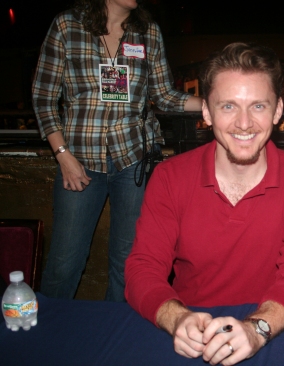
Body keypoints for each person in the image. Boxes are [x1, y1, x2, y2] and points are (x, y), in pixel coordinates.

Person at [125, 42, 284, 365]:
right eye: (228, 106)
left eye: (258, 106)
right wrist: (177, 318)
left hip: (274, 332)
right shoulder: (169, 177)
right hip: (193, 334)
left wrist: (257, 329)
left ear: (277, 110)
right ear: (206, 111)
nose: (244, 123)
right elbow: (142, 269)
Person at [32, 0, 202, 302]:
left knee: (127, 259)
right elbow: (44, 98)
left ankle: (117, 331)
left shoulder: (147, 31)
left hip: (133, 160)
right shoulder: (67, 25)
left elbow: (162, 95)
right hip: (79, 160)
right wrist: (63, 155)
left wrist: (215, 104)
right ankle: (48, 332)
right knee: (65, 259)